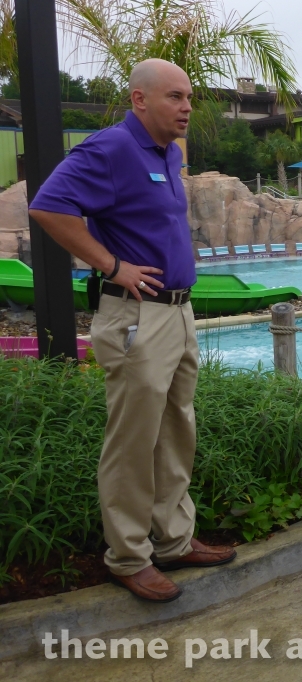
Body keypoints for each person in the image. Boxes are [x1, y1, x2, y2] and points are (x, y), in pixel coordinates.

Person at [28, 59, 235, 602]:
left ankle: (174, 540)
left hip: (177, 312)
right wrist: (111, 265)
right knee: (133, 440)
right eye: (175, 97)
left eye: (188, 97)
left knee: (175, 431)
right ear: (139, 100)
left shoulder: (168, 153)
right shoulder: (110, 149)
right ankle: (127, 556)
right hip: (136, 316)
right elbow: (49, 207)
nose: (187, 106)